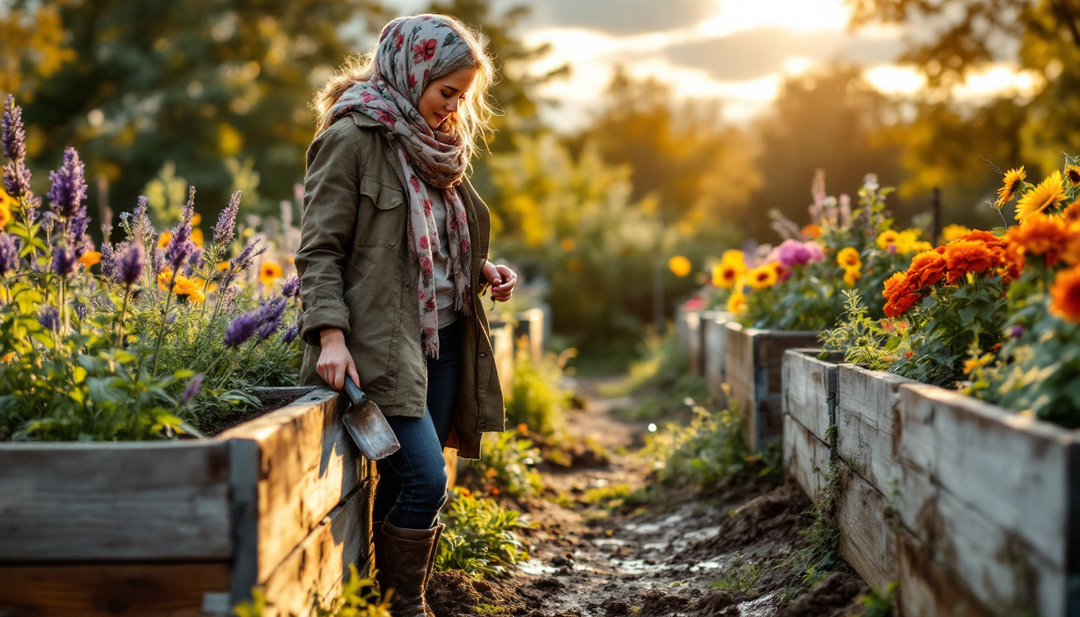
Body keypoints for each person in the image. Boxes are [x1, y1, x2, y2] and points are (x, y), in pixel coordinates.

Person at [295, 13, 516, 616]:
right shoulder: (352, 139)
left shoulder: (438, 147)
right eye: (447, 92)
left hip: (444, 336)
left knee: (402, 480)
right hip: (379, 343)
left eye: (463, 96)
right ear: (410, 69)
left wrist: (483, 271)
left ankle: (386, 599)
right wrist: (330, 337)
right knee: (425, 481)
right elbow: (319, 250)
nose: (454, 108)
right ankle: (407, 608)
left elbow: (436, 243)